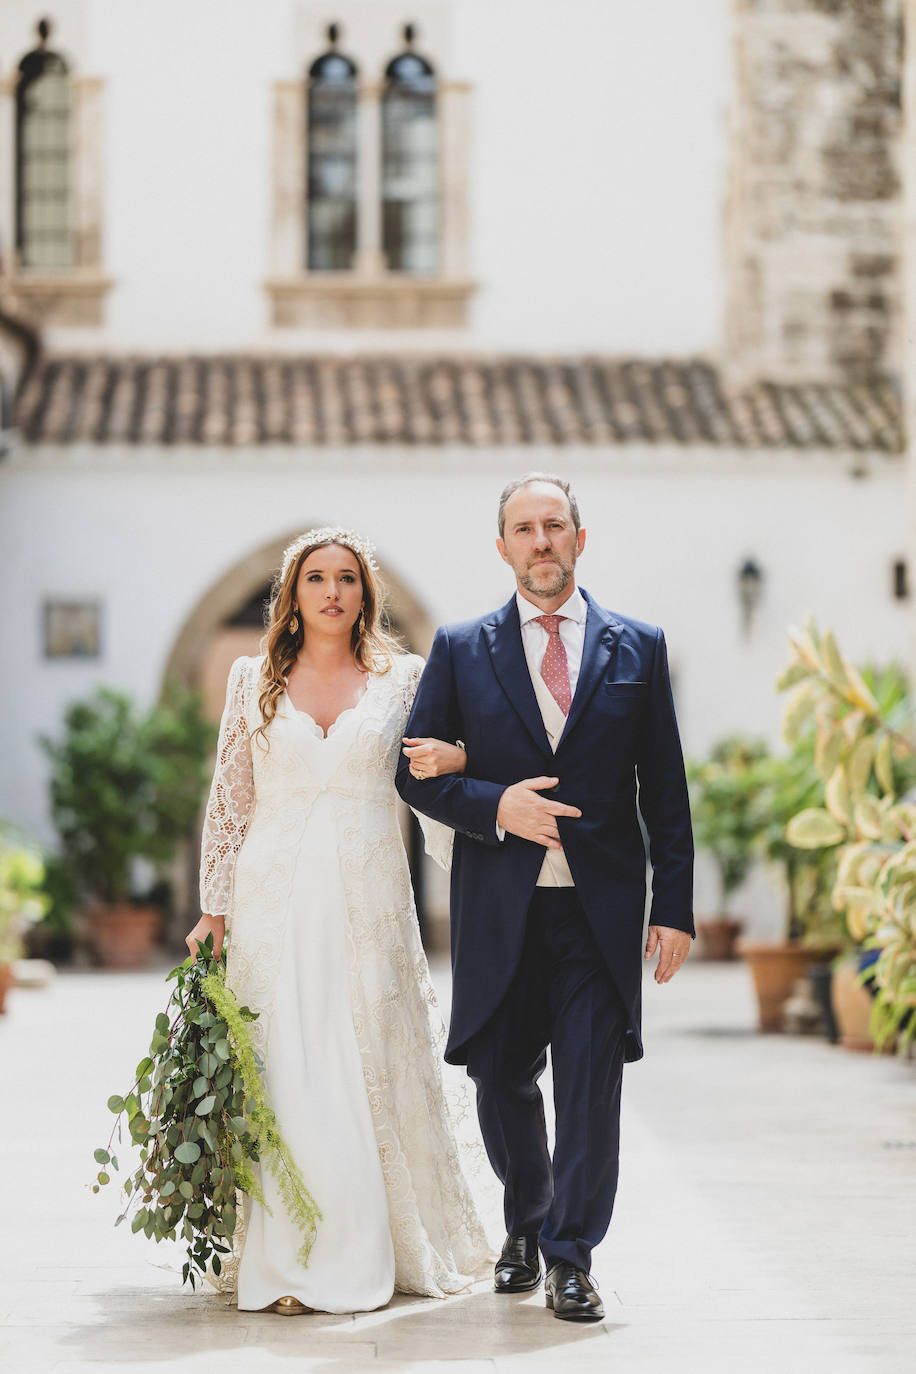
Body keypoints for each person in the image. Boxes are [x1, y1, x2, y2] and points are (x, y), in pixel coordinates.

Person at [396, 474, 694, 1323]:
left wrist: (673, 905)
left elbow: (664, 792)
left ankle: (571, 1255)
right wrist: (495, 803)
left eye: (553, 526)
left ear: (579, 538)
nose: (540, 542)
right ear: (502, 548)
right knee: (498, 1078)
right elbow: (408, 772)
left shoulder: (639, 646)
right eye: (523, 529)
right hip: (500, 909)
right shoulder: (460, 647)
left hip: (599, 916)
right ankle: (523, 1221)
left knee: (591, 1090)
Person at [187, 527, 491, 1315]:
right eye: (316, 578)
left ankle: (363, 1249)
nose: (331, 592)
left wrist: (458, 764)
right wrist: (213, 907)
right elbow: (230, 800)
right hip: (272, 894)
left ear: (365, 594)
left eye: (346, 579)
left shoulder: (405, 679)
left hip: (368, 894)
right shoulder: (251, 678)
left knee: (363, 1059)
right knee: (284, 1061)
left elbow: (439, 766)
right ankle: (287, 1261)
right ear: (292, 594)